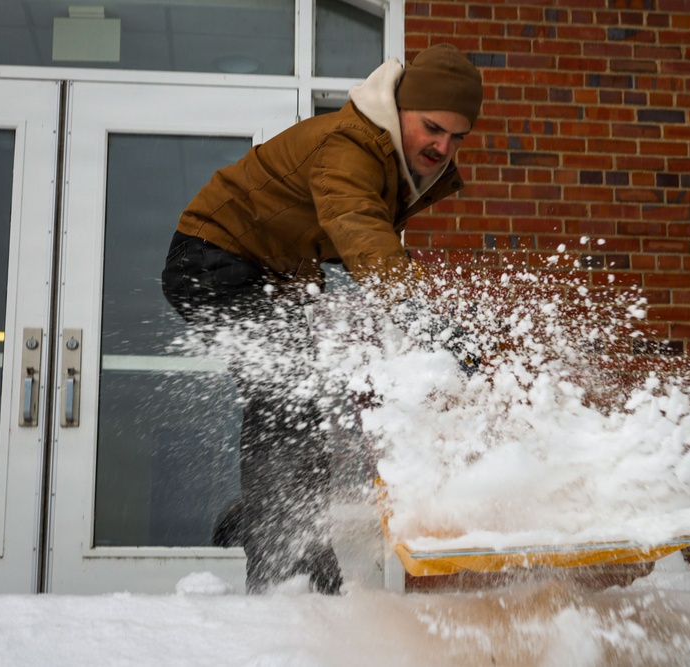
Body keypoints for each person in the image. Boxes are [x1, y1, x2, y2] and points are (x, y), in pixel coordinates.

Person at [160, 43, 484, 594]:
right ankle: (284, 556)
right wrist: (420, 316)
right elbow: (358, 227)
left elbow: (357, 239)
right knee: (292, 394)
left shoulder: (388, 156)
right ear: (401, 109)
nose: (443, 146)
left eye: (457, 137)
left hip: (266, 272)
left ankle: (270, 515)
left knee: (299, 396)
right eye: (433, 127)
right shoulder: (351, 144)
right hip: (213, 261)